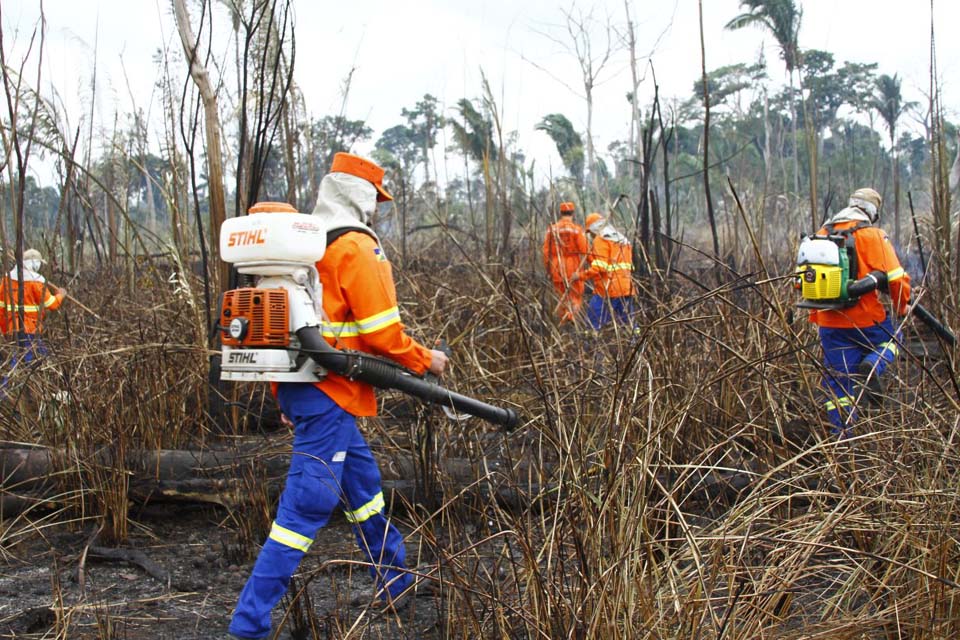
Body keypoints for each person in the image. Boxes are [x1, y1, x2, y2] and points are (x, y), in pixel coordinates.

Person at [228, 153, 449, 640]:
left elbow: (283, 331)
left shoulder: (304, 249)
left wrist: (285, 394)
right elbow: (381, 334)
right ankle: (248, 625)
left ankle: (394, 580)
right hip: (333, 392)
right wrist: (424, 359)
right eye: (376, 198)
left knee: (364, 489)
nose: (378, 209)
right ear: (362, 195)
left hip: (311, 392)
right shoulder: (353, 246)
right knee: (305, 508)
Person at [807, 187, 911, 438]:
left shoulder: (820, 234)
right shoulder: (872, 235)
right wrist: (902, 305)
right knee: (895, 339)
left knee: (839, 384)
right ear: (872, 211)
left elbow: (808, 277)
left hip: (829, 323)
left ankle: (843, 443)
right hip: (866, 320)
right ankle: (872, 366)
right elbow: (897, 278)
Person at [0, 248, 66, 366]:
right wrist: (60, 295)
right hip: (30, 328)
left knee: (36, 356)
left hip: (12, 327)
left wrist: (6, 330)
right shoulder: (36, 282)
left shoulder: (7, 280)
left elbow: (1, 308)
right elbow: (52, 304)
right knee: (23, 362)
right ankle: (9, 384)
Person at [572, 212, 636, 331]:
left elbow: (600, 267)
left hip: (608, 289)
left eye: (590, 233)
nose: (590, 236)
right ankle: (638, 346)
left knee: (593, 322)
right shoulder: (622, 239)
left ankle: (592, 348)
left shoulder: (601, 239)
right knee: (629, 325)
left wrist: (579, 276)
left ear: (593, 229)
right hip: (626, 288)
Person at [542, 201, 588, 323]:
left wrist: (548, 268)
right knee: (575, 295)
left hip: (557, 266)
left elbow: (546, 251)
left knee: (560, 295)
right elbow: (585, 250)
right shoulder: (577, 230)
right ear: (573, 213)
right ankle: (571, 317)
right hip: (573, 266)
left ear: (560, 213)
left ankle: (563, 323)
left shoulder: (551, 229)